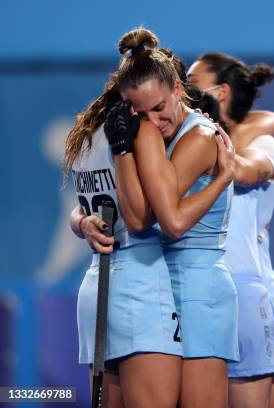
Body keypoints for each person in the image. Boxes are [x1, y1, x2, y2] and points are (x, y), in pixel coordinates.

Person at [64, 64, 182, 408]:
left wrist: (81, 224)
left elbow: (83, 210)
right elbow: (140, 219)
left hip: (97, 285)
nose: (156, 118)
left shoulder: (85, 134)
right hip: (140, 286)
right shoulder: (136, 134)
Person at [186, 52, 274, 408]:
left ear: (221, 92)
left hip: (254, 303)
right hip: (198, 301)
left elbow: (246, 171)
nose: (183, 93)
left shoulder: (263, 144)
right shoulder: (184, 150)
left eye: (192, 84)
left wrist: (215, 135)